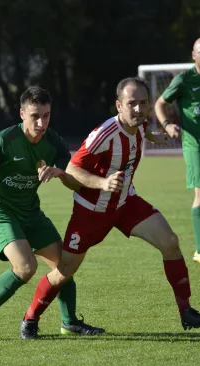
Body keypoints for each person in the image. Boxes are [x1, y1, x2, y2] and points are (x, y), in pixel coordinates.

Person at [20, 77, 200, 339]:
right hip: (91, 212)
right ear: (118, 105)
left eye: (143, 103)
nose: (138, 109)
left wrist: (155, 135)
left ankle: (186, 311)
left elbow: (142, 129)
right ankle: (30, 319)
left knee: (170, 242)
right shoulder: (103, 134)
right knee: (64, 272)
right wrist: (103, 182)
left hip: (126, 203)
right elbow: (72, 169)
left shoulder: (140, 122)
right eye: (131, 104)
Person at [0, 86, 104, 341]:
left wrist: (60, 173)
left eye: (46, 116)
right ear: (21, 114)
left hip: (31, 213)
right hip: (0, 212)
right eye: (35, 116)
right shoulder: (3, 141)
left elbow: (74, 182)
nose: (41, 123)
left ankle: (69, 322)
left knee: (65, 266)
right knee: (26, 267)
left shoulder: (54, 143)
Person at [155, 38, 200, 264]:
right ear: (193, 55)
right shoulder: (184, 79)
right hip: (195, 145)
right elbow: (159, 104)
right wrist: (166, 125)